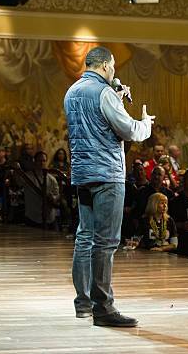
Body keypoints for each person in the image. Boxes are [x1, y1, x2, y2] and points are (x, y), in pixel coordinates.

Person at [64, 46, 155, 327]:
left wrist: (115, 100)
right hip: (107, 175)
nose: (114, 71)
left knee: (85, 238)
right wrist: (145, 124)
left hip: (82, 173)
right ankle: (103, 308)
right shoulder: (103, 93)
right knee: (105, 243)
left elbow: (94, 124)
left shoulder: (71, 92)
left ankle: (84, 304)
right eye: (113, 66)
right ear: (104, 65)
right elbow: (128, 130)